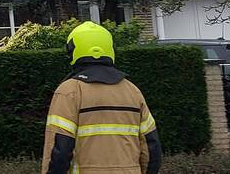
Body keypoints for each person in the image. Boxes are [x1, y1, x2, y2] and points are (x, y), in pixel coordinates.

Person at [42, 21, 162, 174]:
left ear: (73, 51)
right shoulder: (132, 91)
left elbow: (59, 151)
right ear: (110, 49)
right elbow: (152, 149)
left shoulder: (69, 91)